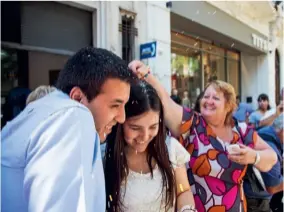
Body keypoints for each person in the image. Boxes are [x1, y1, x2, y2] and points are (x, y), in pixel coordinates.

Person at [128, 60, 277, 212]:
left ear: (228, 106)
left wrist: (254, 157)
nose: (208, 101)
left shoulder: (241, 131)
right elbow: (165, 101)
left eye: (216, 98)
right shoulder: (193, 123)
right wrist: (146, 74)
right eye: (206, 96)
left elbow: (272, 157)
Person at [1, 47, 136, 212]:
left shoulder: (42, 112)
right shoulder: (74, 115)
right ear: (77, 97)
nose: (122, 117)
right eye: (115, 105)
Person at [104, 81, 196, 212]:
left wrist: (187, 209)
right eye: (135, 128)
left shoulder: (170, 149)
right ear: (121, 122)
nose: (145, 136)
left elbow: (183, 190)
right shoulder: (105, 157)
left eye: (153, 127)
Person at [244, 114, 283, 212]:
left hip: (247, 191)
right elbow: (272, 188)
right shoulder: (271, 149)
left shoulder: (264, 131)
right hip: (256, 200)